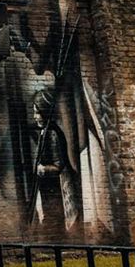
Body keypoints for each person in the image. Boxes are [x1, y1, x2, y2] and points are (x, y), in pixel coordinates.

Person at [31, 90, 78, 240]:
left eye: (37, 112)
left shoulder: (52, 134)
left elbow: (58, 166)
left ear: (45, 111)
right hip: (48, 189)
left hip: (54, 189)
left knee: (54, 221)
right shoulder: (45, 132)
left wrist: (42, 169)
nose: (35, 116)